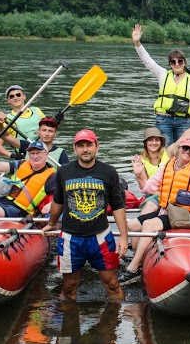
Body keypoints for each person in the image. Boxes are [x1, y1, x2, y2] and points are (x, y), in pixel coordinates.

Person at [42, 129, 128, 302]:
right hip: (71, 238)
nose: (85, 149)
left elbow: (118, 205)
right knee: (68, 287)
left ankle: (114, 323)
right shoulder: (64, 171)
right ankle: (69, 325)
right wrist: (52, 223)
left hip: (100, 237)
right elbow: (58, 201)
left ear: (97, 146)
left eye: (89, 145)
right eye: (80, 146)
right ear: (75, 148)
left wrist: (124, 237)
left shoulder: (109, 172)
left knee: (112, 283)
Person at [120, 134, 190, 284]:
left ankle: (133, 267)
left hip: (187, 214)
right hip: (167, 210)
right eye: (185, 148)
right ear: (179, 148)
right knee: (131, 225)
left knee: (149, 225)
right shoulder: (166, 166)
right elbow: (147, 188)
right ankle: (140, 257)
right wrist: (139, 174)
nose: (188, 151)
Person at [132, 23, 190, 146]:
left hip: (184, 121)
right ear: (170, 64)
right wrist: (137, 43)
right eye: (173, 62)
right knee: (165, 151)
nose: (177, 64)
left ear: (184, 62)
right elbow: (147, 61)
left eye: (180, 61)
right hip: (164, 120)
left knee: (183, 149)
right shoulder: (163, 74)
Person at [0, 140, 57, 225]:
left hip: (18, 210)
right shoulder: (20, 164)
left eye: (38, 153)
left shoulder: (52, 176)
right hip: (0, 200)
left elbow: (64, 194)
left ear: (46, 154)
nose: (35, 156)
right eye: (32, 153)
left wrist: (51, 204)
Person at [0, 84, 47, 154]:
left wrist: (56, 120)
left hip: (45, 151)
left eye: (18, 95)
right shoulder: (7, 120)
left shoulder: (36, 110)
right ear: (8, 101)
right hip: (25, 154)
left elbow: (49, 128)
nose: (15, 98)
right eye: (11, 96)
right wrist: (12, 156)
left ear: (24, 96)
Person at [0, 116, 70, 166]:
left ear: (55, 134)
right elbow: (5, 136)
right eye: (44, 130)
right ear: (38, 131)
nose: (46, 134)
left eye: (50, 131)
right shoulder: (28, 146)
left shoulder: (61, 153)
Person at [131, 127, 169, 191]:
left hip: (168, 190)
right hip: (153, 192)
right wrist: (137, 176)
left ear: (160, 142)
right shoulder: (140, 161)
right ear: (145, 143)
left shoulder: (168, 153)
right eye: (150, 140)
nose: (154, 143)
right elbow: (144, 187)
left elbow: (183, 138)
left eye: (157, 140)